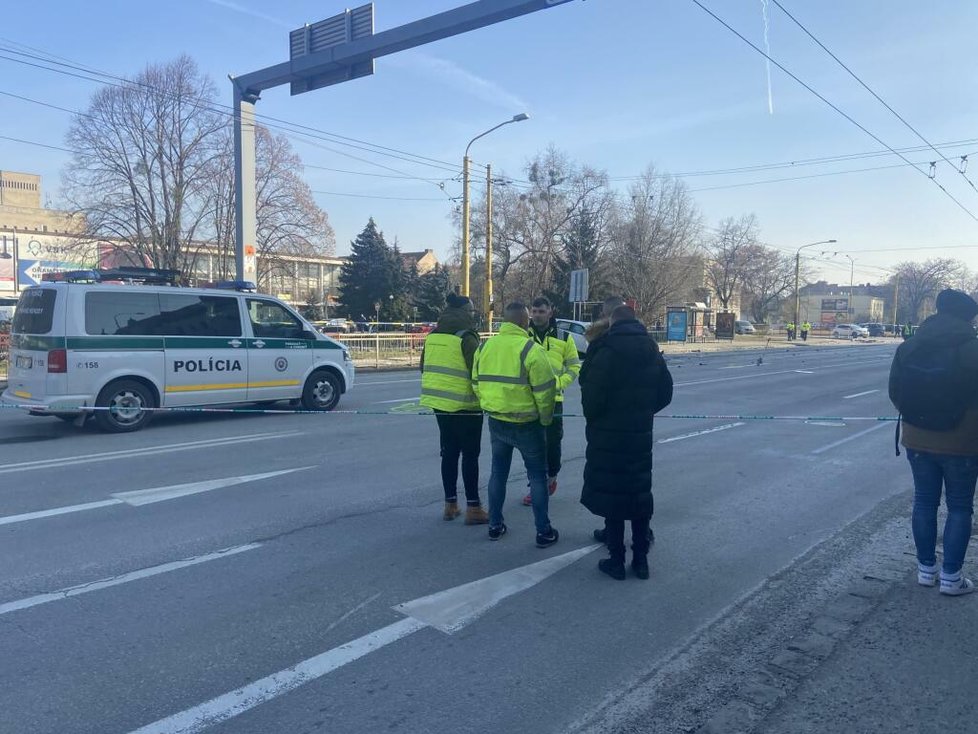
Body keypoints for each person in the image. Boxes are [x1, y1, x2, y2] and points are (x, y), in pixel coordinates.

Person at [889, 289, 978, 596]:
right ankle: (952, 577)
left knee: (924, 502)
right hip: (963, 441)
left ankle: (926, 570)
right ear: (968, 317)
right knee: (959, 507)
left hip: (916, 438)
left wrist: (920, 417)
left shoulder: (910, 346)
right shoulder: (973, 349)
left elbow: (895, 392)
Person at [580, 305, 673, 580]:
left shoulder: (606, 350)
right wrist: (643, 412)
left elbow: (591, 400)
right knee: (638, 493)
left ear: (612, 322)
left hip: (608, 436)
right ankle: (641, 561)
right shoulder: (651, 350)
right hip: (639, 435)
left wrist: (603, 419)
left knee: (614, 496)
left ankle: (617, 560)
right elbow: (665, 393)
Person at [472, 302, 559, 547]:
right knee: (538, 478)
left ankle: (495, 525)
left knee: (498, 473)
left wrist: (490, 404)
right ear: (524, 321)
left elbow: (476, 382)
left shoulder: (485, 346)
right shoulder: (531, 349)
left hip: (497, 421)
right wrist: (544, 419)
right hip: (528, 424)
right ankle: (543, 531)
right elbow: (545, 392)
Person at [419, 294, 489, 525]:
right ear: (462, 312)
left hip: (440, 404)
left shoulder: (433, 336)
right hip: (466, 405)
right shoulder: (466, 337)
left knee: (449, 453)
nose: (473, 314)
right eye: (471, 311)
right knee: (470, 455)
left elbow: (423, 367)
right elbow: (477, 372)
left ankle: (450, 505)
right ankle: (474, 508)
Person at [519, 296, 580, 506]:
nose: (536, 315)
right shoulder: (524, 335)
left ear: (550, 312)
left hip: (553, 399)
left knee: (552, 443)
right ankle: (536, 485)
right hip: (528, 400)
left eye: (541, 311)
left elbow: (573, 366)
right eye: (534, 312)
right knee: (532, 445)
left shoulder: (564, 337)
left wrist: (559, 383)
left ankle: (551, 477)